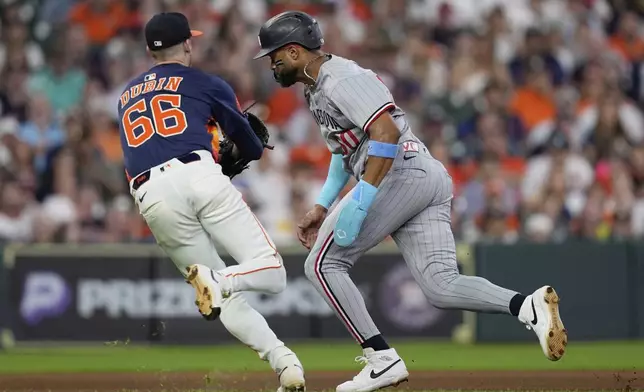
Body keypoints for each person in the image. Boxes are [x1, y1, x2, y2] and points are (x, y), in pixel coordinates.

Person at [253, 11, 567, 392]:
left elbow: (384, 131)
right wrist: (322, 205)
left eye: (275, 56)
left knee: (323, 264)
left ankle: (380, 358)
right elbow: (344, 151)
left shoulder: (340, 79)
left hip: (399, 172)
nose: (272, 64)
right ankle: (526, 306)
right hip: (418, 174)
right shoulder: (317, 86)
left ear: (295, 50)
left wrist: (363, 197)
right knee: (441, 285)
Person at [117, 12, 305, 392]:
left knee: (224, 298)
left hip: (149, 194)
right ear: (187, 43)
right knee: (272, 273)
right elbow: (249, 142)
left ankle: (285, 364)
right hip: (197, 175)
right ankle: (218, 280)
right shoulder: (203, 82)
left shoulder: (125, 96)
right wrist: (240, 151)